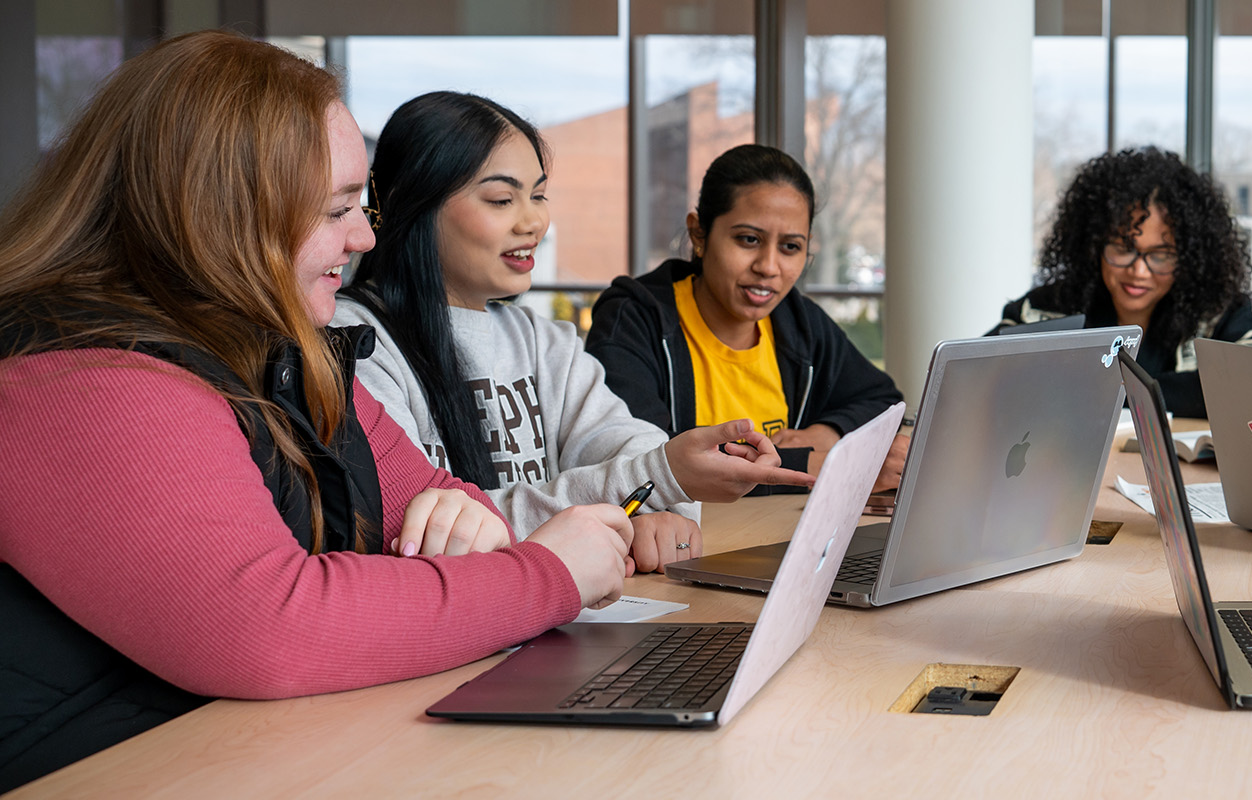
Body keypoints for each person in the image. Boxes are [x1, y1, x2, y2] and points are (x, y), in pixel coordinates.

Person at [0, 32, 636, 790]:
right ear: (220, 213)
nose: (364, 236)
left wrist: (475, 540)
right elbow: (268, 629)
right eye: (337, 210)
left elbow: (447, 503)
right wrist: (545, 575)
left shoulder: (287, 351)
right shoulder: (77, 377)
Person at [334, 94, 810, 569]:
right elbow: (431, 530)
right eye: (502, 199)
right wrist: (657, 480)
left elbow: (629, 442)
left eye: (539, 196)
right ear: (412, 204)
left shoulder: (542, 342)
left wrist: (661, 509)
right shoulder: (353, 342)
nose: (534, 221)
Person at [584, 144, 907, 492]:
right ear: (698, 234)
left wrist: (827, 433)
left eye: (790, 247)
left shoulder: (796, 320)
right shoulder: (632, 319)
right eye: (749, 239)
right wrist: (821, 465)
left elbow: (882, 401)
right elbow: (639, 457)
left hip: (780, 523)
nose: (768, 267)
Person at [995, 146, 1252, 418]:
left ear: (1189, 258)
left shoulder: (1219, 311)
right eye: (1123, 248)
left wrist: (1099, 389)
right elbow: (983, 375)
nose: (1139, 271)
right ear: (1093, 245)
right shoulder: (1045, 308)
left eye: (1161, 255)